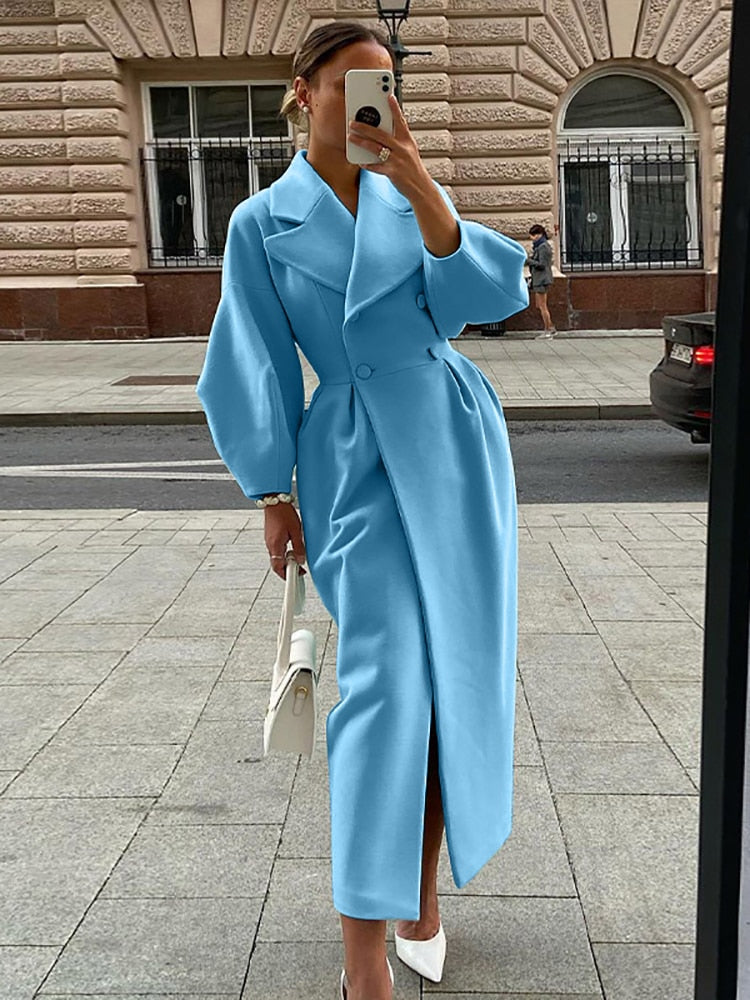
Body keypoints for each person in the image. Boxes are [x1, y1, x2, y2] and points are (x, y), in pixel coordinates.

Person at [195, 20, 528, 1000]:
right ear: (304, 91)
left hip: (454, 440)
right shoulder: (261, 222)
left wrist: (421, 187)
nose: (374, 101)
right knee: (389, 689)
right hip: (349, 455)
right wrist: (270, 490)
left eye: (388, 84)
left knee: (455, 675)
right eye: (353, 83)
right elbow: (249, 359)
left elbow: (488, 296)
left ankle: (419, 903)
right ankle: (363, 962)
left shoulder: (407, 191)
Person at [527, 224, 556, 338]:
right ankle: (550, 327)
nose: (531, 238)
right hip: (539, 279)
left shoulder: (543, 247)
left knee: (543, 306)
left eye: (533, 235)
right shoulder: (541, 246)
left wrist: (528, 261)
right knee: (540, 305)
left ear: (539, 235)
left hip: (542, 279)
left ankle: (548, 330)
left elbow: (542, 264)